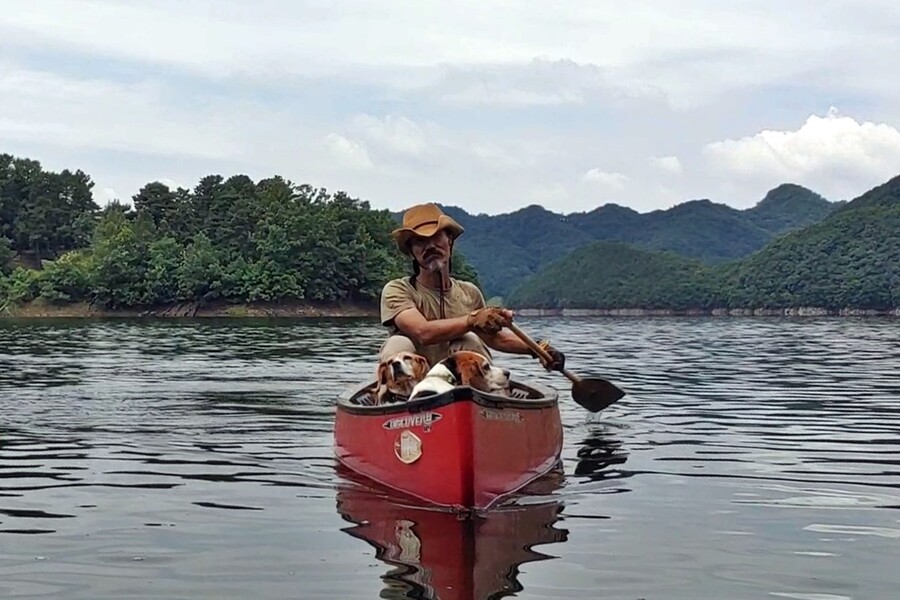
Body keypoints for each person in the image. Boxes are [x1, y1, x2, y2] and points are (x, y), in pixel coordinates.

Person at [379, 203, 565, 372]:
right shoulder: (397, 289)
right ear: (412, 251)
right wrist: (472, 320)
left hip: (459, 380)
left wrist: (538, 348)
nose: (430, 246)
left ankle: (476, 396)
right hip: (416, 381)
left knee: (469, 340)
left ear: (449, 240)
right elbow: (423, 332)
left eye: (436, 237)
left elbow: (495, 338)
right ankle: (397, 400)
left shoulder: (470, 293)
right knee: (398, 343)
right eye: (420, 241)